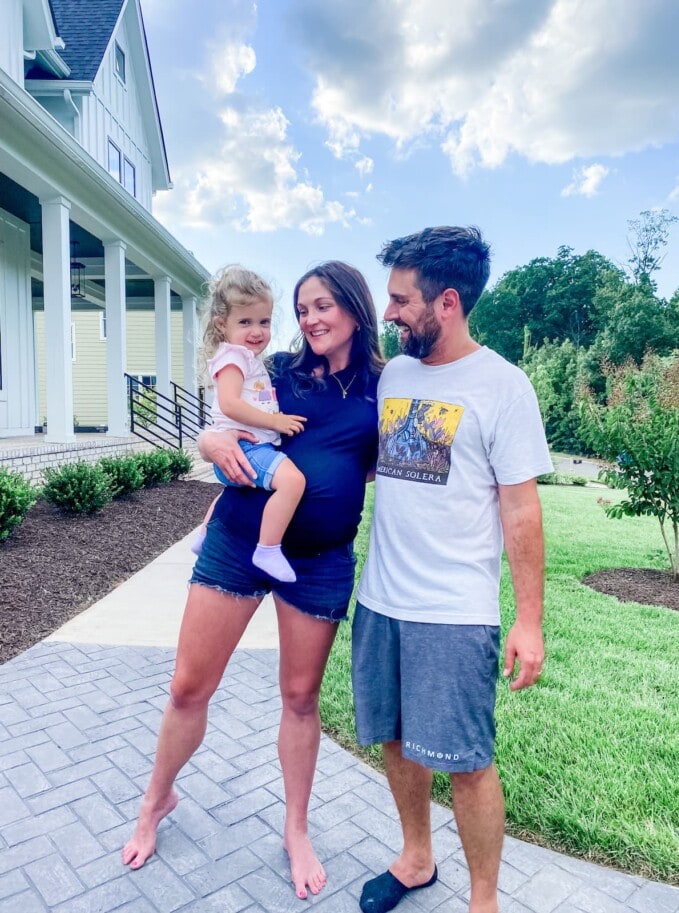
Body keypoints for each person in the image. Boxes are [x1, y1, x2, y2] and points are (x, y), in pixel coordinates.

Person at [122, 261, 383, 901]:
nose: (311, 319)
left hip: (319, 561)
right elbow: (228, 413)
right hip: (240, 542)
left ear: (354, 307)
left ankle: (296, 829)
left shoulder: (383, 384)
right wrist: (209, 443)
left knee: (299, 699)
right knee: (188, 685)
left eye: (324, 305)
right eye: (304, 308)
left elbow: (389, 468)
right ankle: (156, 800)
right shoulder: (280, 368)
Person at [351, 226, 553, 913]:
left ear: (445, 302)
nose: (389, 312)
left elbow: (522, 512)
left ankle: (484, 900)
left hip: (455, 612)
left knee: (466, 759)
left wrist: (528, 620)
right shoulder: (394, 374)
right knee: (395, 740)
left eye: (400, 299)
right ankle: (415, 858)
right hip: (381, 599)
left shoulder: (503, 385)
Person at [191, 265, 307, 583]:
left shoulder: (247, 357)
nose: (256, 331)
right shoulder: (233, 358)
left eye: (264, 321)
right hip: (245, 445)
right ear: (221, 324)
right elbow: (229, 403)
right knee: (293, 482)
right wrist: (275, 422)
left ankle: (203, 533)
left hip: (244, 444)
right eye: (245, 322)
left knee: (233, 488)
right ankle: (268, 549)